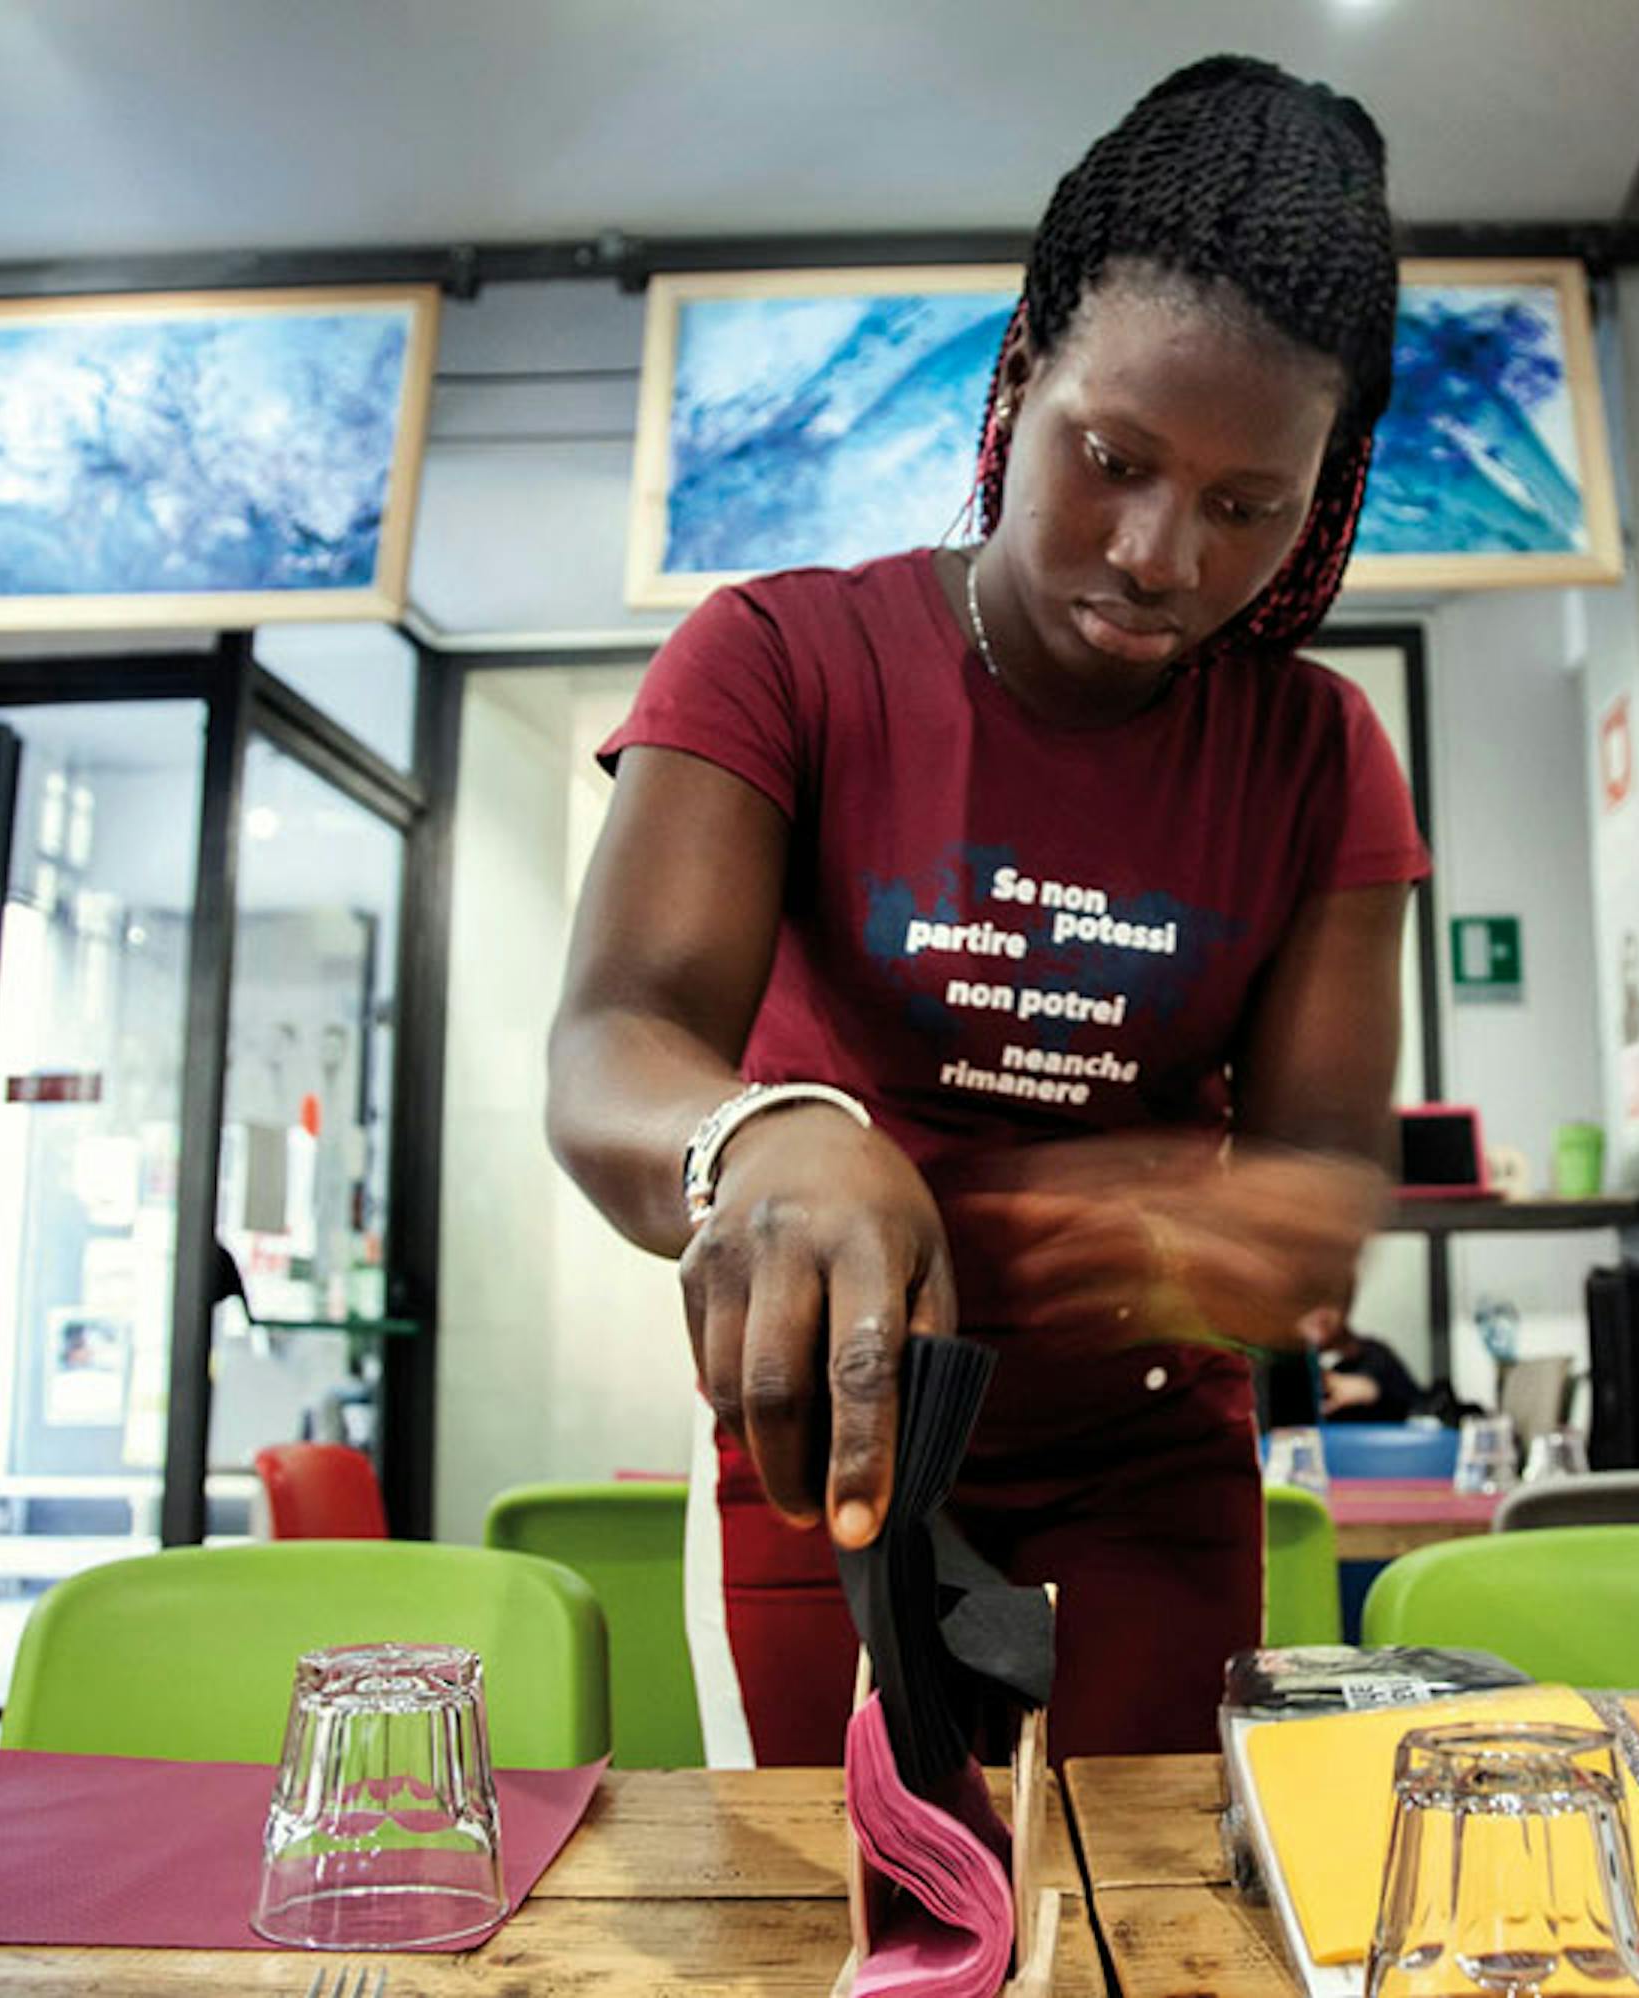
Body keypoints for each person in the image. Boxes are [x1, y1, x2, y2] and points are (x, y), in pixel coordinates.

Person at [548, 56, 1424, 1767]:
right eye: (1114, 457)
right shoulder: (784, 659)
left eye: (1252, 506)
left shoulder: (1318, 754)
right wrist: (761, 1133)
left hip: (1150, 1481)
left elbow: (1323, 1176)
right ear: (1019, 375)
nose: (1167, 553)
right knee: (847, 1922)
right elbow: (611, 1045)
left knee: (1137, 1929)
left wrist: (1276, 1238)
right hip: (828, 1449)